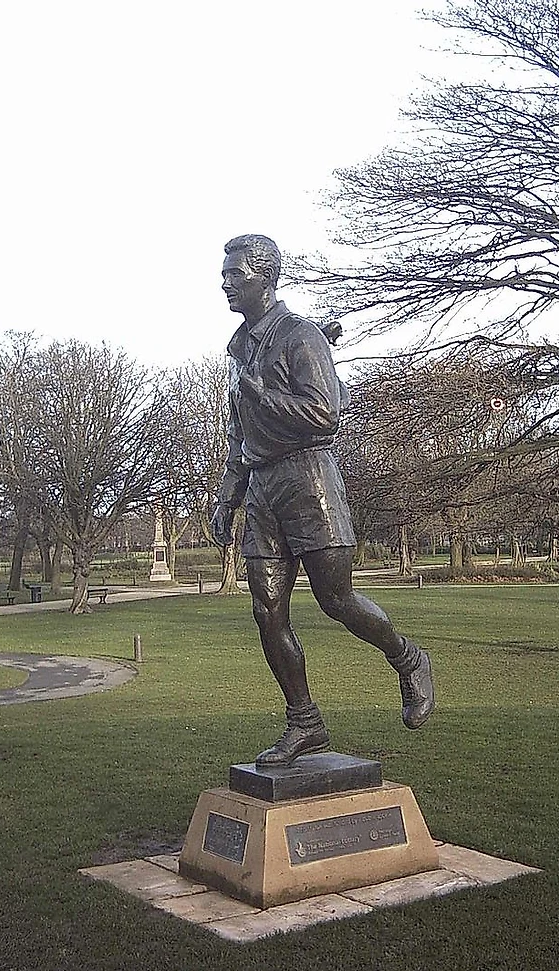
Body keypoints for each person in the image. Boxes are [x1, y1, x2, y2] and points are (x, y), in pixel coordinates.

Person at [211, 234, 434, 766]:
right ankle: (304, 722)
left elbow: (324, 416)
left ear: (264, 277)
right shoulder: (240, 349)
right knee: (267, 611)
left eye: (235, 274)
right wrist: (228, 499)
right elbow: (239, 433)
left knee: (335, 600)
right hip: (263, 486)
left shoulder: (301, 337)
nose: (224, 283)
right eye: (223, 274)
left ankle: (408, 659)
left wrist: (262, 394)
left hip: (309, 479)